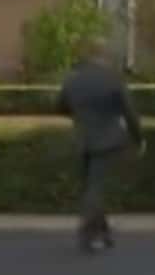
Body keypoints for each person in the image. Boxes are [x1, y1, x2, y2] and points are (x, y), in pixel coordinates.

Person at [55, 41, 142, 254]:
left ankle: (103, 232)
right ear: (103, 57)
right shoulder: (111, 79)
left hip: (83, 139)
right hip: (108, 140)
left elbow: (60, 106)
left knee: (90, 185)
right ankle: (87, 233)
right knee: (96, 187)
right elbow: (129, 112)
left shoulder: (72, 79)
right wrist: (138, 139)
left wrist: (81, 117)